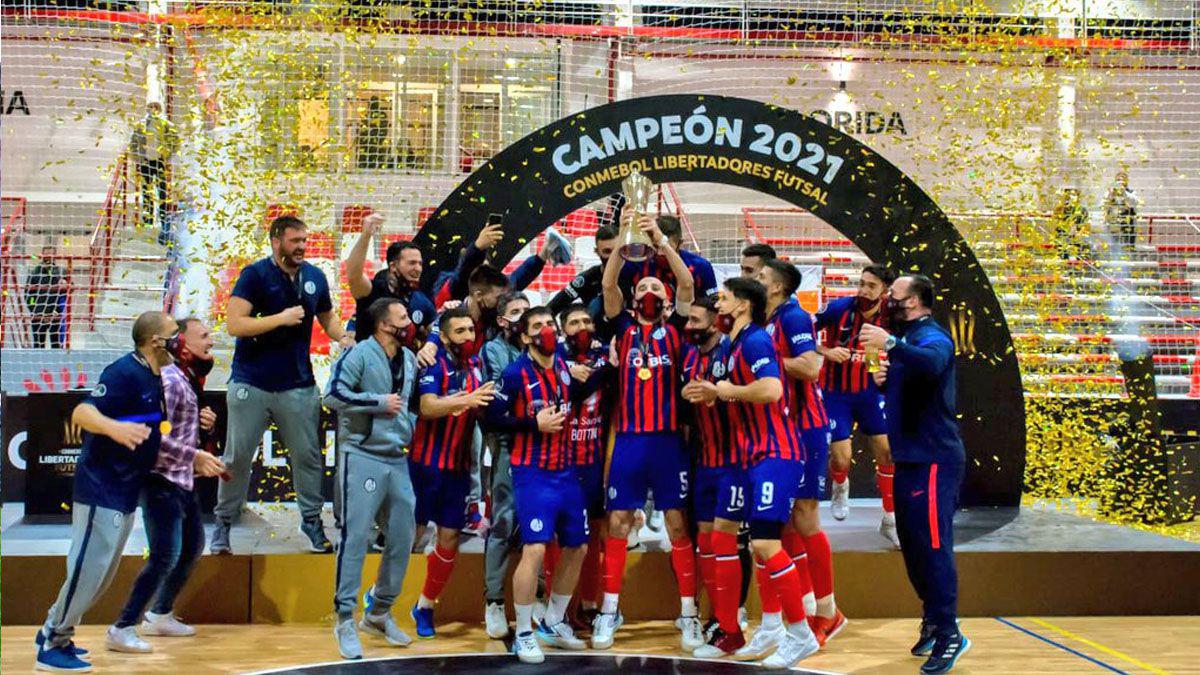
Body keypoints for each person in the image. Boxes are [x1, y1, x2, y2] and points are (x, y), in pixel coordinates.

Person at [34, 311, 175, 672]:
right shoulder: (123, 372)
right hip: (101, 488)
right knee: (88, 571)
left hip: (125, 488)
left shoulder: (154, 376)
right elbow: (82, 413)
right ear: (154, 341)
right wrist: (114, 428)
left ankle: (53, 628)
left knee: (100, 576)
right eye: (174, 334)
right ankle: (53, 642)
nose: (179, 342)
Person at [213, 215, 352, 555]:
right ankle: (224, 522)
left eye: (305, 240)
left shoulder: (315, 276)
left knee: (308, 457)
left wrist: (343, 337)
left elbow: (327, 316)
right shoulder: (254, 275)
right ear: (276, 242)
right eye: (295, 241)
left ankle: (311, 521)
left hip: (298, 384)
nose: (302, 247)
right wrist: (280, 319)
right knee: (236, 457)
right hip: (251, 382)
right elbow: (235, 324)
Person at [594, 211, 700, 650]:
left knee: (677, 524)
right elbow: (608, 286)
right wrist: (625, 240)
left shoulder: (677, 328)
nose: (650, 291)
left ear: (668, 298)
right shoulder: (622, 328)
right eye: (643, 288)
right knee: (618, 522)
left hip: (670, 441)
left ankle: (689, 614)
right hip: (630, 441)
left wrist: (661, 242)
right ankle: (608, 611)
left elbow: (687, 284)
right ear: (634, 298)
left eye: (657, 287)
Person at [703, 277, 821, 667]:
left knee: (766, 544)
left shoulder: (755, 341)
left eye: (724, 298)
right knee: (726, 531)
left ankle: (800, 634)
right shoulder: (731, 344)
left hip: (775, 452)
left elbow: (771, 389)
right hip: (746, 456)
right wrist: (711, 392)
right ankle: (767, 627)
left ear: (742, 305)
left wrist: (728, 391)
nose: (718, 304)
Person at [860, 275, 970, 674]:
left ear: (916, 300)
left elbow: (934, 362)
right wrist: (880, 377)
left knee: (934, 547)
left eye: (895, 293)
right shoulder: (904, 339)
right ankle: (933, 619)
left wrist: (890, 344)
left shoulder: (932, 335)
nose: (888, 297)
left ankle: (950, 632)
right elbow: (902, 380)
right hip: (908, 458)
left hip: (935, 460)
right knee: (913, 547)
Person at [108, 317, 226, 653]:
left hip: (182, 481)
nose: (211, 341)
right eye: (203, 336)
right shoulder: (172, 381)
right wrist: (194, 456)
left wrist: (205, 427)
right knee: (164, 557)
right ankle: (123, 626)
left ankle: (160, 613)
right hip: (162, 481)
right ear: (181, 342)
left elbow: (175, 428)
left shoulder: (185, 378)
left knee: (191, 548)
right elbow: (155, 438)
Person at [486, 306, 595, 663]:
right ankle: (523, 633)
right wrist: (533, 425)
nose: (546, 330)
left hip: (567, 471)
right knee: (534, 549)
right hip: (532, 473)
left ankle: (553, 621)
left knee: (578, 547)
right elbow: (492, 418)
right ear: (524, 336)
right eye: (538, 326)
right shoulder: (514, 373)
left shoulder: (562, 365)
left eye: (550, 323)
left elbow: (582, 385)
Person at [324, 298, 420, 660]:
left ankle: (379, 611)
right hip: (362, 455)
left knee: (403, 535)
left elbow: (409, 404)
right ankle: (344, 619)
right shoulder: (358, 354)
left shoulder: (408, 358)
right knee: (356, 537)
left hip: (397, 457)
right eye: (403, 318)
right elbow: (332, 395)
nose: (409, 323)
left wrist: (407, 426)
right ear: (384, 324)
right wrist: (377, 402)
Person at [758, 259, 846, 647]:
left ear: (777, 287)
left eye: (759, 275)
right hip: (781, 429)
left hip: (805, 427)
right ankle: (808, 606)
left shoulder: (792, 317)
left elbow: (810, 367)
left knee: (806, 516)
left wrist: (761, 363)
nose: (752, 279)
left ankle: (829, 612)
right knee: (788, 522)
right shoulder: (768, 319)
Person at [409, 305, 496, 638]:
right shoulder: (433, 363)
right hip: (424, 465)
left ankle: (425, 606)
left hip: (458, 470)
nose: (468, 337)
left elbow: (482, 408)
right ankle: (381, 595)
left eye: (470, 330)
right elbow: (427, 406)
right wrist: (467, 401)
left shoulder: (476, 366)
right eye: (460, 331)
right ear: (444, 337)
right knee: (413, 536)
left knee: (450, 538)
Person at [678, 295, 745, 658]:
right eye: (688, 320)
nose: (689, 326)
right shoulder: (689, 355)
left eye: (695, 321)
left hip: (735, 462)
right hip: (704, 461)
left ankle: (733, 623)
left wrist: (716, 395)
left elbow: (751, 396)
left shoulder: (733, 352)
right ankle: (718, 617)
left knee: (726, 542)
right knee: (705, 539)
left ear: (715, 323)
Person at [816, 264, 899, 547]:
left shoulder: (890, 315)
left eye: (871, 286)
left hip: (869, 393)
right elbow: (800, 335)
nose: (863, 289)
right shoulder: (838, 308)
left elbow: (881, 350)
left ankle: (890, 519)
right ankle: (840, 485)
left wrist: (877, 367)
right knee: (841, 458)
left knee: (887, 453)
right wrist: (826, 351)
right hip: (834, 393)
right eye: (862, 283)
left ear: (884, 291)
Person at [556, 302, 613, 626]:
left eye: (586, 321)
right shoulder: (554, 358)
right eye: (574, 322)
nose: (582, 327)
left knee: (593, 536)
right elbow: (575, 391)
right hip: (561, 462)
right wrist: (569, 372)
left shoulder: (605, 354)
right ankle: (561, 608)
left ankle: (590, 604)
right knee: (560, 537)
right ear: (563, 329)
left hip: (594, 461)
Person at [480, 291, 532, 638]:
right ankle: (494, 601)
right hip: (507, 445)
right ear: (502, 321)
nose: (524, 316)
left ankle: (536, 596)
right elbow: (504, 400)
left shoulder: (543, 346)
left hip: (541, 446)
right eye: (516, 312)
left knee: (538, 525)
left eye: (527, 310)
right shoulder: (493, 350)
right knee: (503, 521)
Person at [345, 212, 437, 338]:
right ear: (393, 266)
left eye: (420, 263)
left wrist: (447, 314)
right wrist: (366, 236)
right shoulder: (373, 291)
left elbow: (437, 330)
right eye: (412, 263)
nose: (418, 269)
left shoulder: (421, 300)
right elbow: (353, 275)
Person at [618, 214, 717, 303]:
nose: (660, 252)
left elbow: (712, 304)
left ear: (680, 244)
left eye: (666, 247)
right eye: (656, 246)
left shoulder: (701, 266)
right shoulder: (636, 262)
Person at [547, 223, 619, 317]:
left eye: (617, 250)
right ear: (597, 252)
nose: (613, 257)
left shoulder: (636, 272)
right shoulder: (586, 279)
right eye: (607, 251)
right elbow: (549, 310)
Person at [130, 101, 177, 237]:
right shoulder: (140, 125)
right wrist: (137, 158)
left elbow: (175, 141)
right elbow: (133, 143)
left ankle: (164, 222)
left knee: (162, 193)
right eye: (151, 107)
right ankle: (148, 222)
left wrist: (168, 156)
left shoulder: (166, 124)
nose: (153, 109)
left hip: (160, 162)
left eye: (155, 107)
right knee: (147, 192)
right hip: (146, 162)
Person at [25, 243, 68, 349]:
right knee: (38, 345)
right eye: (46, 254)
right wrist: (37, 312)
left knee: (56, 346)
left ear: (55, 256)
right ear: (42, 255)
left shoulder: (61, 272)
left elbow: (66, 294)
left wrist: (66, 284)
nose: (48, 257)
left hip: (55, 315)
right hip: (38, 317)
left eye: (51, 254)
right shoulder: (34, 273)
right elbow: (29, 296)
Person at [1104, 171, 1140, 254]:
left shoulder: (1131, 192)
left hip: (1127, 225)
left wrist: (1124, 192)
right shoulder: (1110, 192)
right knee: (1113, 247)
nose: (1120, 183)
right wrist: (1111, 194)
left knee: (1127, 248)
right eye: (1118, 180)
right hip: (1113, 224)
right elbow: (1104, 204)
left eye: (1122, 180)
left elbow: (1133, 203)